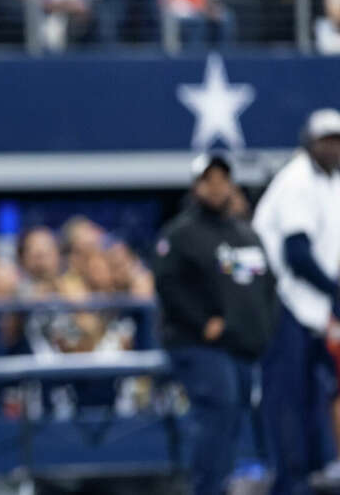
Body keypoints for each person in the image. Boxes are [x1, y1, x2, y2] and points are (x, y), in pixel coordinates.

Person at [154, 154, 277, 495]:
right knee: (219, 409)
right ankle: (206, 488)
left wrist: (265, 325)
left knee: (234, 415)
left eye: (223, 179)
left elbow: (266, 284)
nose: (217, 186)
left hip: (243, 344)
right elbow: (167, 285)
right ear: (196, 186)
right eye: (209, 180)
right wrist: (202, 322)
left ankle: (220, 484)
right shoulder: (181, 234)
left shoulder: (244, 232)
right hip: (199, 345)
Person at [253, 108, 340, 495]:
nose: (332, 147)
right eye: (326, 139)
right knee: (285, 396)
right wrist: (336, 291)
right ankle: (289, 482)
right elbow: (297, 254)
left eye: (337, 139)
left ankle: (311, 472)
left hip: (312, 306)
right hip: (280, 300)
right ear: (309, 142)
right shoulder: (297, 180)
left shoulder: (331, 182)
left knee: (312, 393)